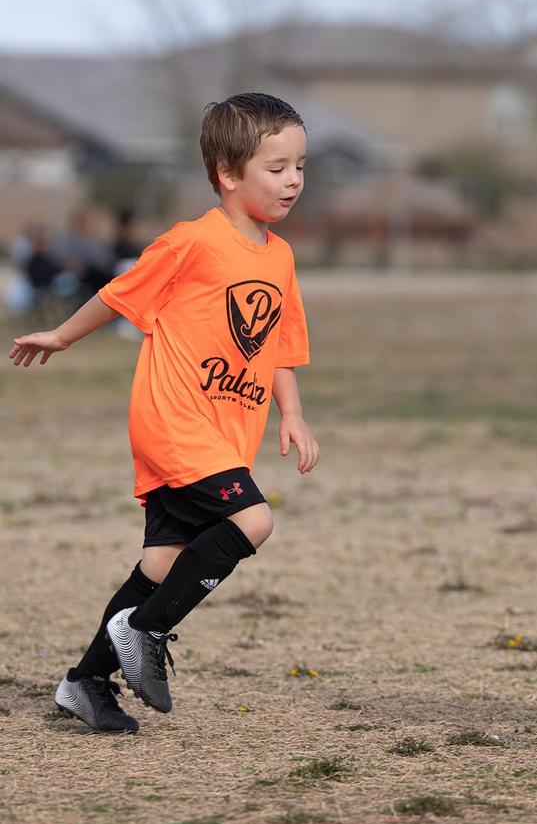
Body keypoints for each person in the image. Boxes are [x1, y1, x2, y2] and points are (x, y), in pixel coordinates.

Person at [9, 93, 319, 734]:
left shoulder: (280, 257)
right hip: (175, 422)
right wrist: (60, 337)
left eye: (300, 166)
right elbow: (116, 295)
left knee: (162, 563)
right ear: (229, 175)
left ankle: (86, 683)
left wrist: (292, 414)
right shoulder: (193, 243)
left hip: (225, 432)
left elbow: (278, 347)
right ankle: (144, 631)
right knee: (253, 521)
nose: (293, 180)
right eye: (277, 167)